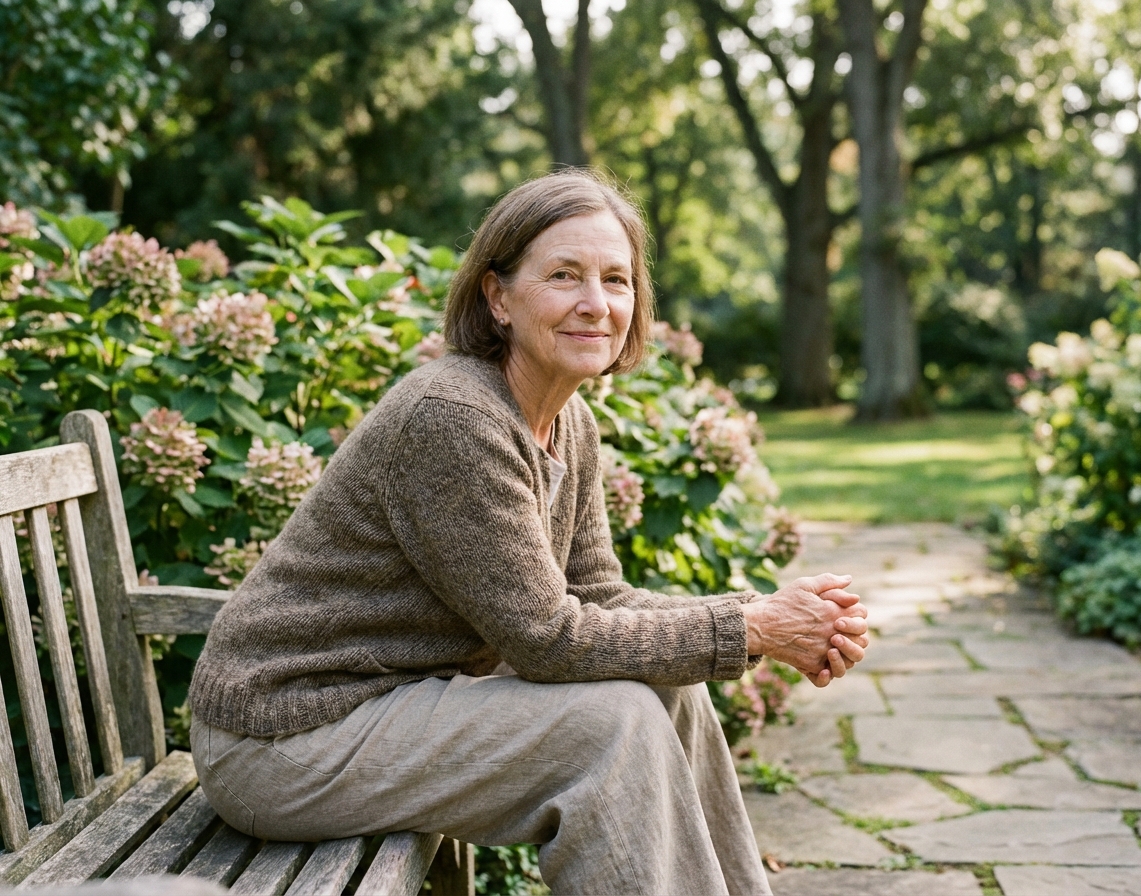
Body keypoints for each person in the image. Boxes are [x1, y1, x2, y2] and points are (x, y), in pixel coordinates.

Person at [188, 170, 869, 896]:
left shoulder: (568, 421)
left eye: (616, 279)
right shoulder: (454, 418)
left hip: (381, 707)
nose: (595, 304)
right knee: (612, 725)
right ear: (497, 297)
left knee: (673, 693)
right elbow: (549, 640)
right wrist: (755, 628)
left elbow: (597, 597)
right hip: (284, 741)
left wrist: (755, 612)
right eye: (564, 276)